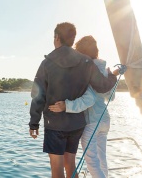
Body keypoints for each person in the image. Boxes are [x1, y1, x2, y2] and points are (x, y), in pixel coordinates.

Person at [29, 23, 117, 178]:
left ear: (56, 38)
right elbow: (102, 86)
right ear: (72, 38)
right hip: (77, 124)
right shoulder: (86, 62)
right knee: (70, 163)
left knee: (57, 168)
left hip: (55, 124)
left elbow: (38, 95)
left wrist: (34, 123)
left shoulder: (47, 63)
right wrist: (112, 75)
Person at [49, 35, 119, 178]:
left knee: (92, 162)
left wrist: (66, 106)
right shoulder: (104, 70)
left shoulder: (86, 71)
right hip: (105, 121)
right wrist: (112, 75)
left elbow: (89, 99)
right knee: (101, 159)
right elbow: (111, 97)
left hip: (92, 121)